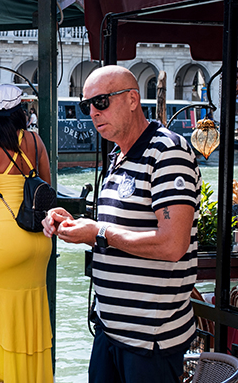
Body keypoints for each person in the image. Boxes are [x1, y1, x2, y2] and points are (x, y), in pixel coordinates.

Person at [42, 65, 201, 383]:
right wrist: (76, 225)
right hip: (110, 331)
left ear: (132, 99)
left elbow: (172, 244)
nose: (92, 113)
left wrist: (98, 232)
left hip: (149, 340)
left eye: (101, 101)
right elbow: (120, 228)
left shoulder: (168, 153)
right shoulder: (119, 157)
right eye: (86, 105)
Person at [0, 84, 53, 383]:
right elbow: (46, 186)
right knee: (28, 315)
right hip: (39, 240)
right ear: (19, 112)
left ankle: (2, 377)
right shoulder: (36, 140)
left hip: (7, 240)